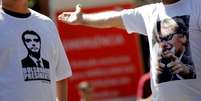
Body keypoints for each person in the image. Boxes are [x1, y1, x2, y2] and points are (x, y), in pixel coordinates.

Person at [58, 0, 201, 101]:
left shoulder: (197, 6)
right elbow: (113, 19)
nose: (165, 44)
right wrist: (83, 19)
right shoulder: (150, 12)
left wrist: (187, 70)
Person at [0, 0, 72, 101]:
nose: (33, 44)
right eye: (29, 41)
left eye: (35, 40)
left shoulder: (47, 24)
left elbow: (61, 75)